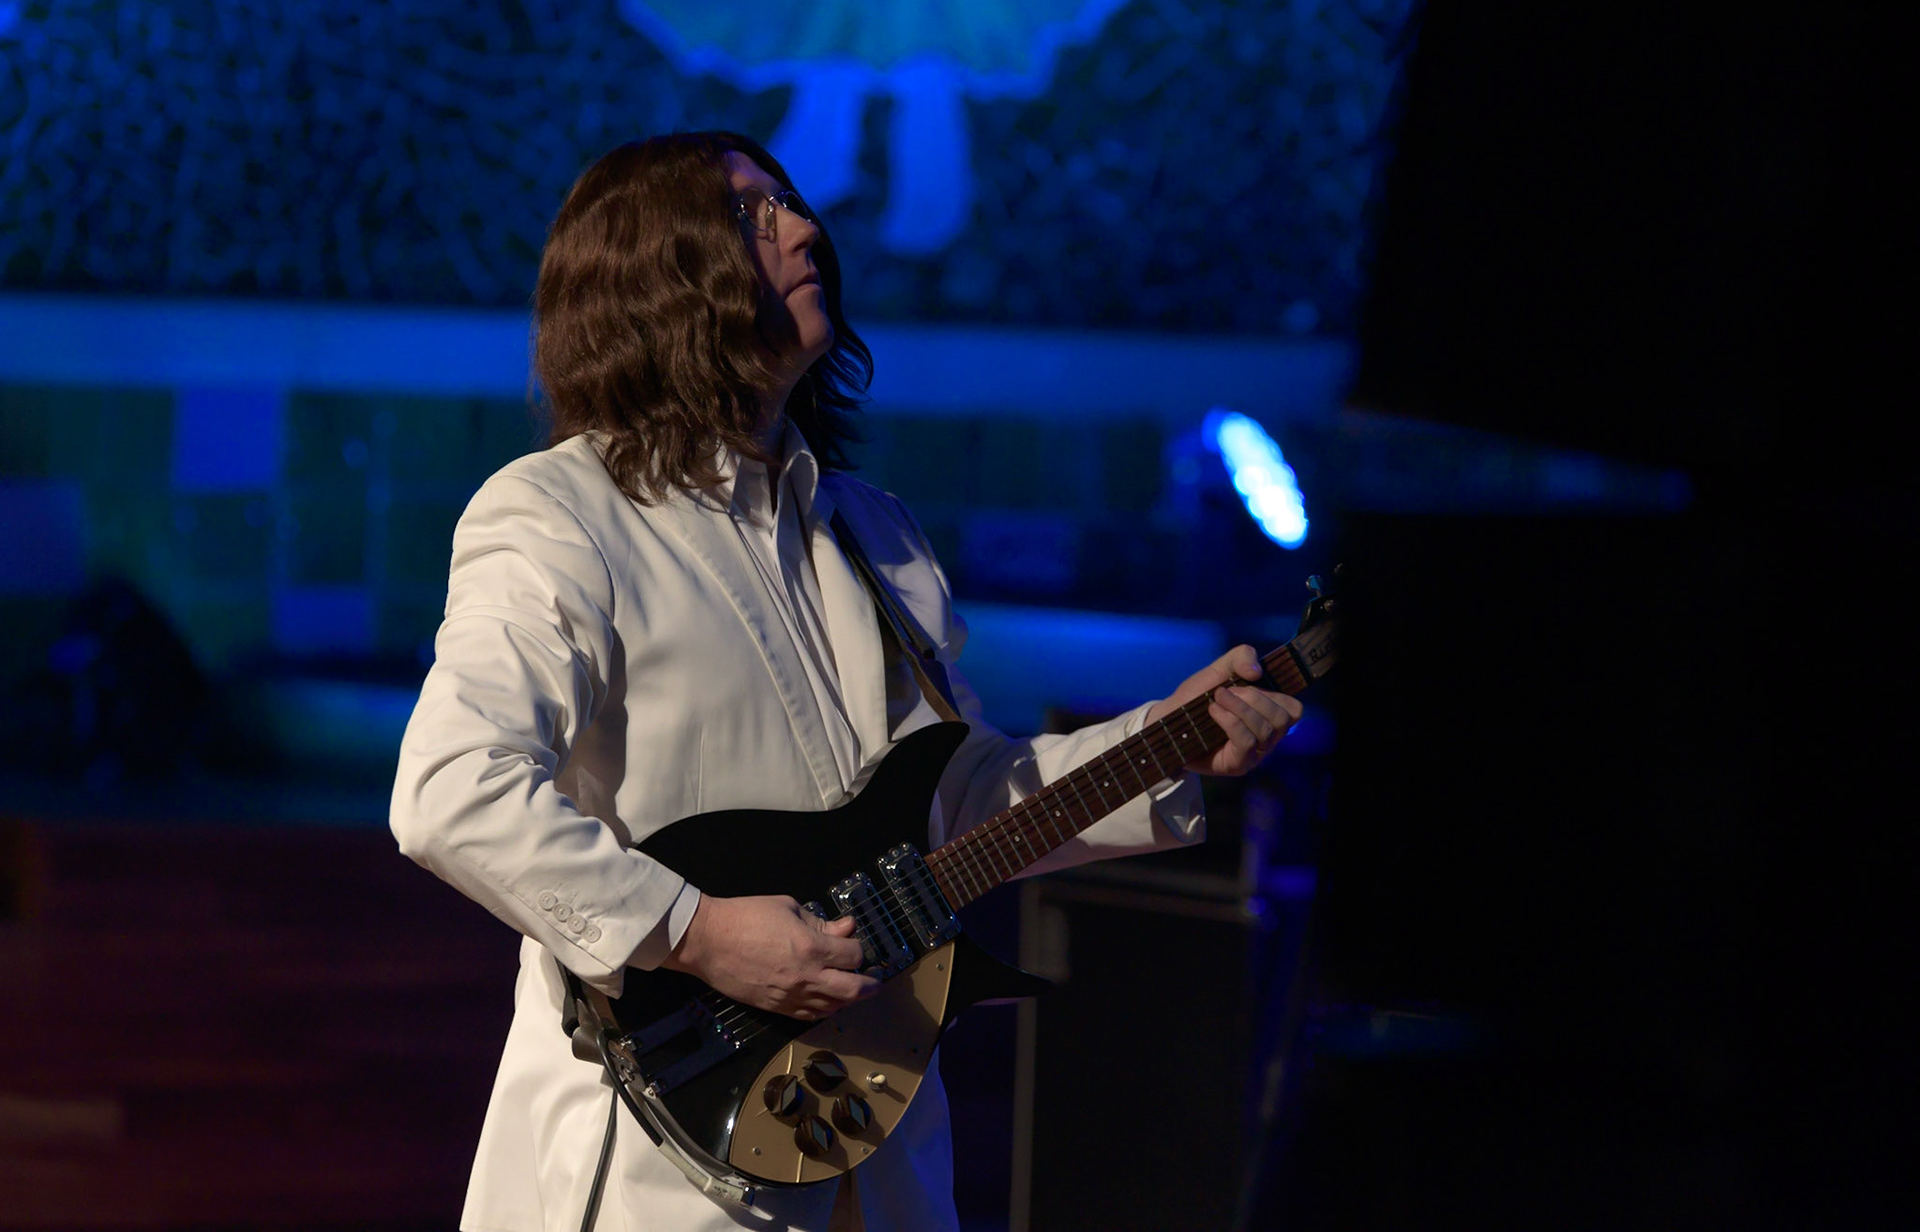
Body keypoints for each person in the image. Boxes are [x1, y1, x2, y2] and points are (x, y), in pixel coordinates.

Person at [390, 131, 1302, 1232]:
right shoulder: (559, 513)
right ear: (653, 273)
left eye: (792, 204)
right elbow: (451, 789)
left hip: (876, 1121)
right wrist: (696, 932)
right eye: (752, 216)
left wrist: (1170, 739)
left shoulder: (873, 532)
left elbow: (965, 801)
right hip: (664, 1155)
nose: (807, 229)